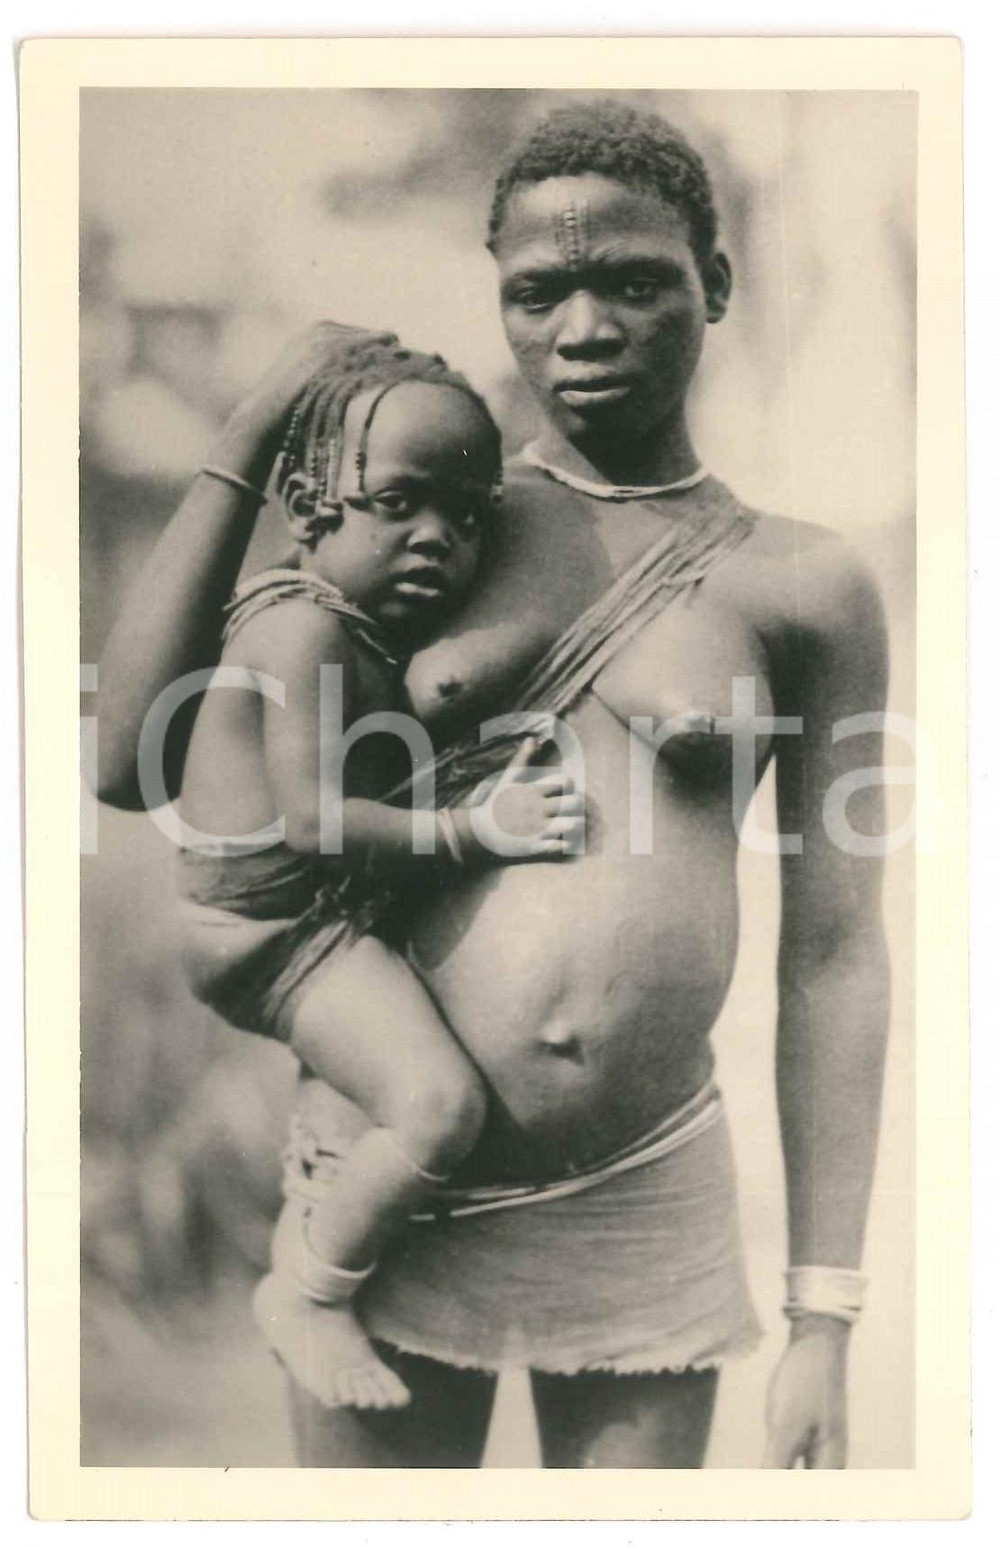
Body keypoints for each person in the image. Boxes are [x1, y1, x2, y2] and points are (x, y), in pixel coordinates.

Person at [95, 101, 890, 1469]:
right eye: (538, 292)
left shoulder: (803, 584)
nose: (582, 328)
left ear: (718, 281)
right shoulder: (431, 520)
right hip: (391, 1186)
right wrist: (255, 425)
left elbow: (834, 953)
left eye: (634, 281)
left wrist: (826, 1313)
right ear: (503, 305)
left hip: (642, 1188)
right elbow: (133, 763)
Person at [174, 338, 585, 1411]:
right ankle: (308, 1290)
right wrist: (474, 829)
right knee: (437, 1105)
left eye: (466, 518)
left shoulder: (347, 622)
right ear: (311, 506)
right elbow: (313, 821)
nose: (436, 540)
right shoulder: (302, 628)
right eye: (399, 504)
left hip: (300, 924)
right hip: (271, 938)